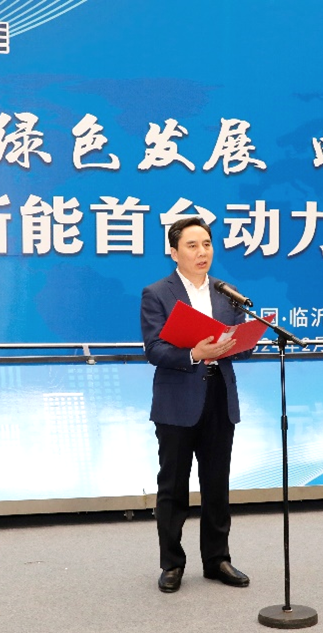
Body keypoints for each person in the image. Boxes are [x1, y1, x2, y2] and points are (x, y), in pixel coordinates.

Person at [140, 216, 252, 594]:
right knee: (173, 486)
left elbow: (242, 345)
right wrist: (193, 353)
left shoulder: (226, 292)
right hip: (177, 401)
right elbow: (154, 349)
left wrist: (240, 342)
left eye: (206, 244)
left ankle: (217, 559)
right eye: (192, 245)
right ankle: (172, 563)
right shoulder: (157, 293)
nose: (202, 252)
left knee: (216, 484)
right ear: (174, 252)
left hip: (219, 396)